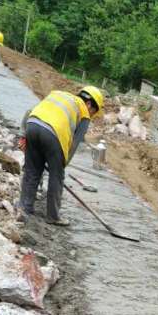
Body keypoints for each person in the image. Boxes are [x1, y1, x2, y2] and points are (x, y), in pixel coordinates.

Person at [18, 86, 104, 225]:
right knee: (56, 176)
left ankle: (24, 207)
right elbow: (74, 144)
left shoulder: (58, 94)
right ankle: (53, 216)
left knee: (32, 170)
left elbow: (29, 112)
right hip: (53, 134)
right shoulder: (84, 113)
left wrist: (22, 136)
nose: (91, 115)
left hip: (32, 125)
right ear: (89, 104)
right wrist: (60, 166)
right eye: (93, 111)